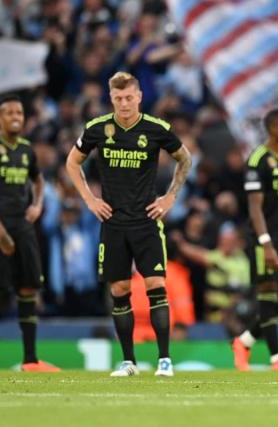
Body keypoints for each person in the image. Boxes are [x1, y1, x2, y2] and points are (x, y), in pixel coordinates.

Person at [66, 71, 191, 377]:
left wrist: (170, 197)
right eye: (118, 98)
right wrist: (89, 199)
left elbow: (184, 159)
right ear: (111, 99)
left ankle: (164, 360)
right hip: (113, 222)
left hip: (147, 220)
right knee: (120, 289)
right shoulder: (97, 129)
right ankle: (129, 361)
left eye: (129, 97)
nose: (124, 103)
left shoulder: (156, 128)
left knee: (155, 286)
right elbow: (72, 162)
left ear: (139, 97)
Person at [0, 94, 59, 372]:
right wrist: (1, 232)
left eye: (19, 112)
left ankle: (30, 360)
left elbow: (38, 180)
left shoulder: (27, 149)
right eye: (9, 112)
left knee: (29, 289)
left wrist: (37, 205)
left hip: (23, 226)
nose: (15, 116)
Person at [231, 109, 278, 372]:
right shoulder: (258, 160)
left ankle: (243, 341)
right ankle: (277, 358)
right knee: (267, 298)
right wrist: (265, 243)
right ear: (272, 129)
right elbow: (254, 207)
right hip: (264, 240)